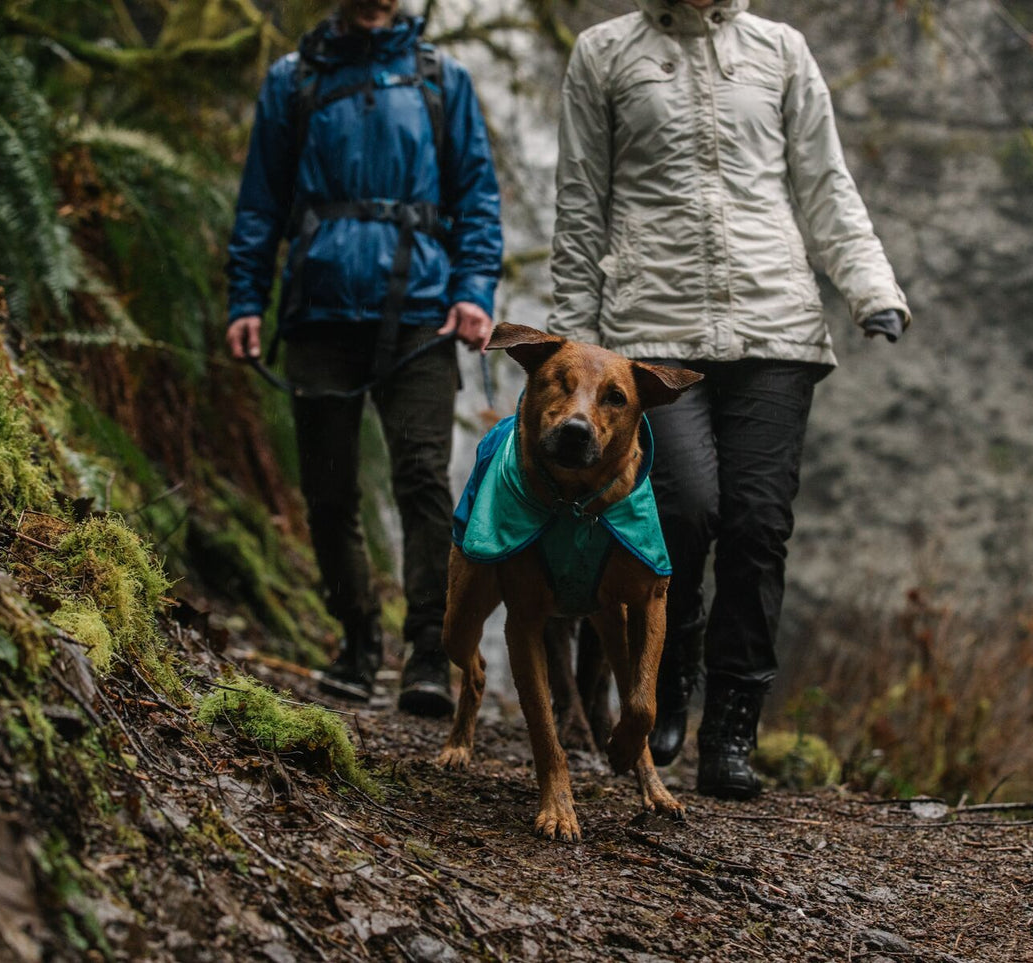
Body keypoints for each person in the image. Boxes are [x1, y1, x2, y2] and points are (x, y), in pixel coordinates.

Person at [548, 0, 910, 797]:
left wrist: (870, 287)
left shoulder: (780, 49)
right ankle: (667, 672)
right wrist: (571, 348)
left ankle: (732, 730)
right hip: (651, 330)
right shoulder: (604, 53)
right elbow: (579, 200)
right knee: (682, 510)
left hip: (774, 327)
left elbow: (824, 181)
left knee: (757, 524)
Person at [225, 0, 502, 714]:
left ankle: (430, 653)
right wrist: (246, 299)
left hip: (421, 314)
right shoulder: (294, 80)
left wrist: (474, 290)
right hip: (318, 313)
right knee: (327, 490)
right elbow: (260, 201)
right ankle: (356, 641)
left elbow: (476, 194)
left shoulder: (442, 78)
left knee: (423, 479)